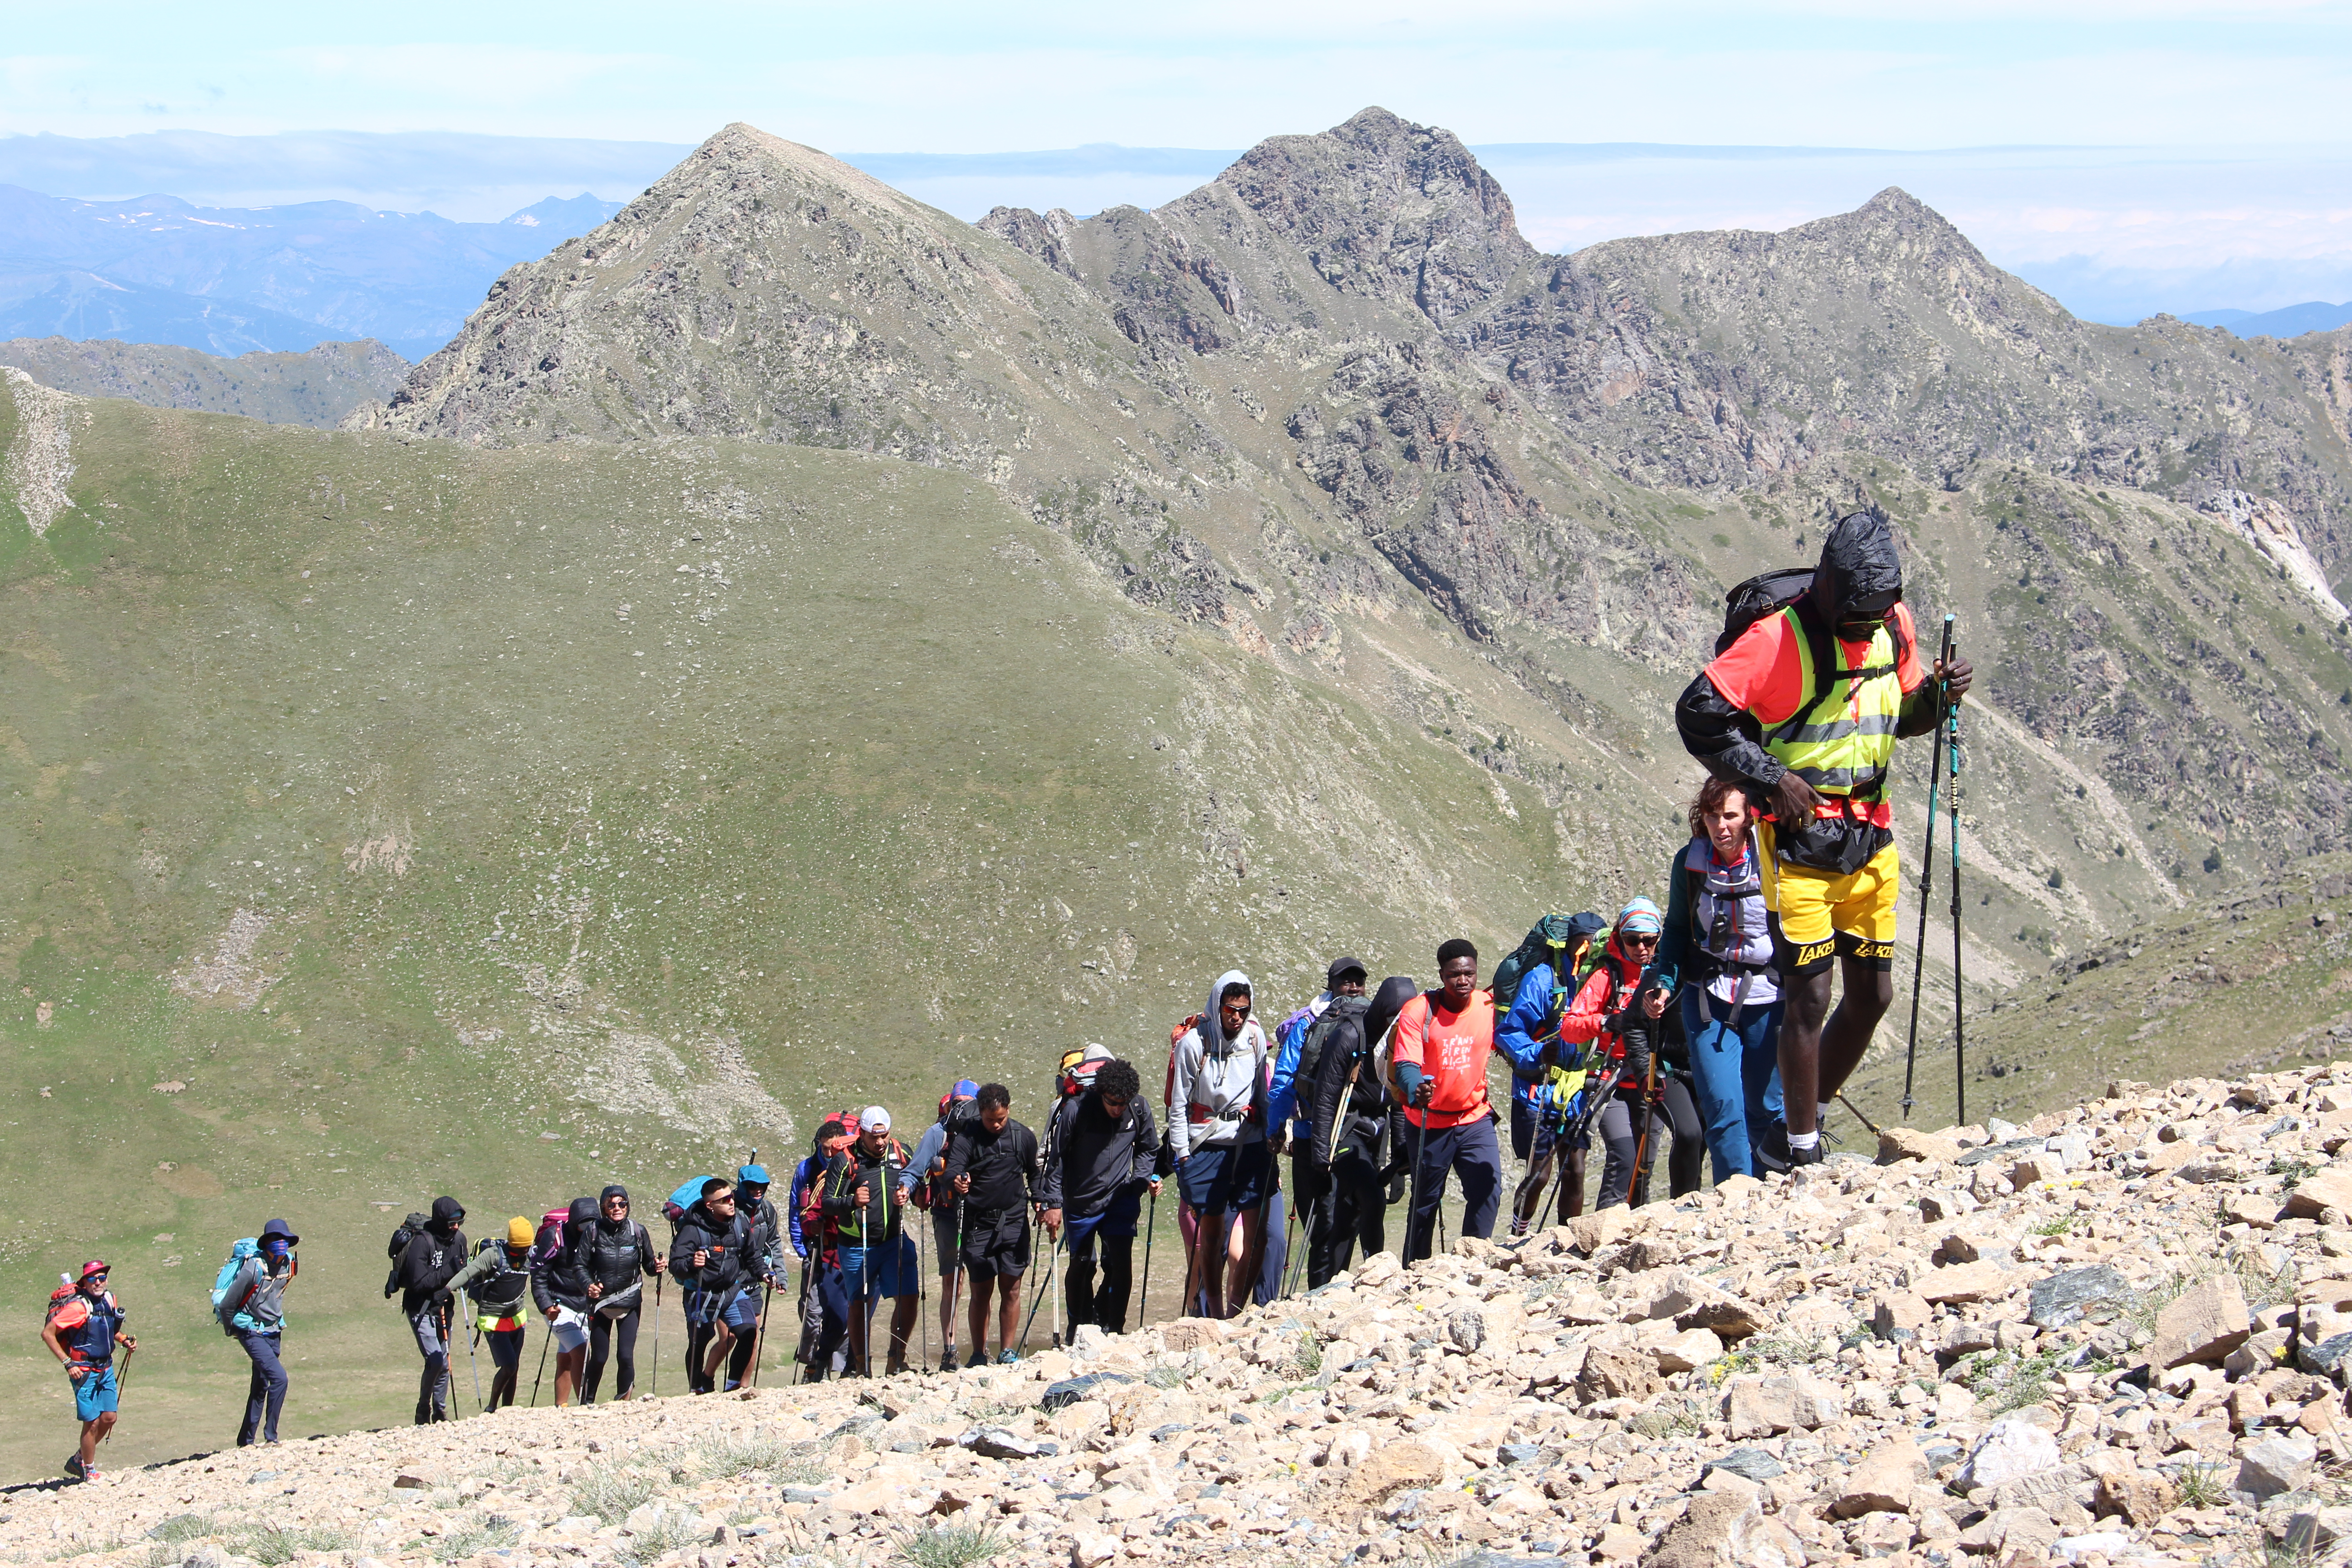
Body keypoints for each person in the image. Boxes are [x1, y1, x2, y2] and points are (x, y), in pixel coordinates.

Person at [1676, 509, 1972, 1164]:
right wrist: (1770, 778)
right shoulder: (1779, 640)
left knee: (1873, 995)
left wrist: (1939, 698)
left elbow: (1902, 717)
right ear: (1832, 588)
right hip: (1799, 841)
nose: (1866, 627)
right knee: (1810, 994)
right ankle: (1800, 1151)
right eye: (1856, 613)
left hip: (1872, 836)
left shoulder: (1895, 624)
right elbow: (1698, 714)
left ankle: (1791, 1126)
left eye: (1878, 612)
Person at [1650, 778, 1791, 1180]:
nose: (1721, 826)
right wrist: (1665, 981)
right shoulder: (1690, 863)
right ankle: (1736, 1199)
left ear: (1750, 818)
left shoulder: (1773, 857)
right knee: (1723, 1107)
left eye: (1730, 815)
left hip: (1770, 995)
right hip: (1708, 996)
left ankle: (1770, 1192)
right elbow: (1676, 927)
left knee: (1765, 1106)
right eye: (1713, 817)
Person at [1167, 970, 1270, 1318]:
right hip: (1206, 1147)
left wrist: (1271, 1129)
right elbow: (1178, 1104)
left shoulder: (1255, 1037)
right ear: (1217, 1006)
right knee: (1211, 1238)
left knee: (1259, 1237)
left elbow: (1261, 1091)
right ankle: (1214, 1314)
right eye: (1230, 1010)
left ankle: (1237, 1311)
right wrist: (1182, 1155)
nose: (1237, 1018)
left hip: (1251, 1144)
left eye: (1244, 1010)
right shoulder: (1193, 1044)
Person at [1393, 941, 1502, 1261]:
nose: (1463, 980)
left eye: (1469, 973)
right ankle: (1415, 1270)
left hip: (1475, 1117)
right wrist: (1417, 1089)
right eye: (1454, 974)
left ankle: (1472, 1261)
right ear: (1441, 975)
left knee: (1488, 1190)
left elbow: (1511, 1037)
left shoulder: (1488, 1005)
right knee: (1426, 1202)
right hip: (1429, 1120)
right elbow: (1406, 1065)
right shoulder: (1418, 1011)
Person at [1561, 900, 1672, 1210]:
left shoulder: (1667, 975)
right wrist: (1606, 1022)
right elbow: (1570, 1027)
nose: (1641, 947)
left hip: (1650, 1077)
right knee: (1624, 1156)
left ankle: (1636, 1230)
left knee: (1644, 1163)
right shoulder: (1606, 976)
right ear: (1620, 937)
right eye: (1632, 939)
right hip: (1610, 1080)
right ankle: (1604, 1230)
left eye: (1649, 940)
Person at [1303, 976, 1414, 1281]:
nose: (1398, 1023)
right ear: (1382, 1010)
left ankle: (1329, 1286)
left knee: (1349, 1215)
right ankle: (1377, 1280)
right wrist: (1320, 1160)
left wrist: (1402, 1154)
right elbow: (1325, 1100)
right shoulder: (1350, 1037)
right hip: (1345, 1129)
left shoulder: (1407, 1036)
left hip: (1377, 1132)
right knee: (1372, 1196)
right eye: (1393, 1016)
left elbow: (1400, 1099)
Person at [1040, 1058, 1161, 1333]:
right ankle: (1079, 1327)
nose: (1118, 1108)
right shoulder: (1076, 1111)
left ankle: (1114, 1327)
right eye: (1112, 1102)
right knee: (1083, 1264)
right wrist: (1054, 1204)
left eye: (1123, 1103)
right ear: (1100, 1093)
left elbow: (1148, 1147)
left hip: (1121, 1199)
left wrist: (1139, 1183)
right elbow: (1056, 1160)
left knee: (1120, 1264)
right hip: (1081, 1202)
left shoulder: (1138, 1108)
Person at [1267, 956, 1366, 1285]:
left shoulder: (1364, 1020)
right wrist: (1277, 1126)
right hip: (1316, 1138)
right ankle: (1323, 1297)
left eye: (1358, 982)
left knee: (1340, 1221)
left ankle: (1330, 1291)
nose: (1352, 988)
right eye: (1345, 982)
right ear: (1331, 986)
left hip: (1344, 1137)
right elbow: (1283, 1081)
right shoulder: (1309, 1025)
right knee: (1324, 1224)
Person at [943, 1083, 1041, 1364]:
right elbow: (952, 1171)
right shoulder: (967, 1137)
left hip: (1014, 1221)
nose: (996, 1125)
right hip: (979, 1224)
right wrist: (958, 1180)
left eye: (1001, 1119)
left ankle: (1008, 1351)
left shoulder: (1023, 1137)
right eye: (990, 1120)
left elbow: (1034, 1173)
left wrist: (1040, 1198)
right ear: (981, 1113)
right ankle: (978, 1353)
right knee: (981, 1290)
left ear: (1009, 1109)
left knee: (1011, 1287)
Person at [823, 1108, 919, 1375]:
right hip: (857, 1244)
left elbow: (917, 1183)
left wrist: (908, 1193)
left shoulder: (901, 1153)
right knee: (859, 1303)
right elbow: (828, 1203)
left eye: (884, 1136)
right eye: (874, 1137)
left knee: (909, 1296)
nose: (880, 1143)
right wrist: (852, 1201)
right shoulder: (844, 1161)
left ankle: (896, 1357)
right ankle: (861, 1363)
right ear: (862, 1134)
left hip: (894, 1240)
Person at [899, 1080, 980, 1372]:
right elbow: (916, 1168)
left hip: (980, 1214)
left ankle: (980, 1348)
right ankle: (951, 1348)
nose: (960, 1107)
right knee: (953, 1283)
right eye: (956, 1102)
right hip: (947, 1214)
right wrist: (908, 1188)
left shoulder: (983, 1130)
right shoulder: (938, 1133)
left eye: (966, 1102)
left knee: (981, 1283)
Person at [44, 1260, 134, 1481]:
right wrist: (67, 1363)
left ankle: (78, 1459)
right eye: (93, 1279)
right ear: (84, 1282)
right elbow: (48, 1333)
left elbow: (106, 1329)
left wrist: (123, 1339)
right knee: (92, 1422)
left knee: (110, 1418)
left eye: (102, 1277)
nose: (99, 1282)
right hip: (83, 1371)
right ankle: (89, 1470)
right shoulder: (77, 1307)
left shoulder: (110, 1299)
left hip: (105, 1367)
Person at [670, 1177, 758, 1393]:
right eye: (725, 1199)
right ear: (710, 1205)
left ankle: (733, 1385)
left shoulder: (740, 1223)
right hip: (701, 1293)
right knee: (700, 1341)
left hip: (731, 1290)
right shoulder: (692, 1229)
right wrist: (692, 1263)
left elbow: (751, 1255)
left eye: (732, 1197)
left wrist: (767, 1273)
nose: (731, 1202)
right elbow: (676, 1265)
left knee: (748, 1332)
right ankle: (697, 1388)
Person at [217, 1219, 299, 1446]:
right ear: (267, 1243)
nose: (280, 1244)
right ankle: (271, 1438)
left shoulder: (290, 1264)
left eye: (284, 1239)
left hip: (274, 1330)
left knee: (261, 1384)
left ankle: (245, 1441)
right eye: (275, 1239)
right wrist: (231, 1330)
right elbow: (227, 1305)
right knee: (280, 1379)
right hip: (251, 1331)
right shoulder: (253, 1268)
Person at [444, 1218, 536, 1411]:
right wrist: (447, 1289)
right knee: (509, 1367)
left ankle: (508, 1411)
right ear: (512, 1243)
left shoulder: (530, 1256)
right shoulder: (494, 1255)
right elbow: (469, 1272)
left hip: (517, 1319)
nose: (524, 1252)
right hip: (493, 1320)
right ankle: (492, 1408)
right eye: (521, 1248)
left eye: (527, 1247)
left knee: (514, 1368)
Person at [578, 1186, 661, 1402]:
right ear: (604, 1208)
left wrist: (657, 1265)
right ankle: (587, 1402)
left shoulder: (638, 1231)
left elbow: (649, 1266)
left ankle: (623, 1404)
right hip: (601, 1304)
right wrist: (588, 1285)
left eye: (622, 1204)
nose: (618, 1208)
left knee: (625, 1356)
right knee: (599, 1357)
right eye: (612, 1205)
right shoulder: (593, 1231)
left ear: (628, 1206)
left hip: (630, 1302)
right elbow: (579, 1266)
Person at [791, 1114, 856, 1381]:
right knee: (812, 1312)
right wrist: (802, 1245)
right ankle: (811, 1364)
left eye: (834, 1147)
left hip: (842, 1251)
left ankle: (838, 1367)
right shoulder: (807, 1170)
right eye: (825, 1147)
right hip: (816, 1251)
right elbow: (799, 1211)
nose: (829, 1152)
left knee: (841, 1312)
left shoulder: (853, 1168)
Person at [392, 1197, 467, 1424]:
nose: (456, 1227)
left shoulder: (460, 1240)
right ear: (440, 1220)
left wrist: (454, 1283)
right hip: (420, 1307)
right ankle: (423, 1409)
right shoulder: (422, 1242)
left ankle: (440, 1411)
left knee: (444, 1361)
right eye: (451, 1223)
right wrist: (449, 1273)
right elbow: (418, 1283)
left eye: (460, 1222)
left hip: (445, 1307)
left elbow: (462, 1273)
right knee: (435, 1360)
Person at [719, 1167, 785, 1392]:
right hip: (726, 1284)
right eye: (752, 1186)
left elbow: (774, 1242)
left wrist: (780, 1274)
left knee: (751, 1337)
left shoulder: (766, 1210)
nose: (758, 1191)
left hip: (754, 1281)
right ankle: (705, 1380)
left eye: (762, 1186)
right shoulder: (728, 1209)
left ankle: (741, 1389)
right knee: (728, 1339)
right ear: (742, 1185)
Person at [531, 1197, 598, 1406]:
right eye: (583, 1225)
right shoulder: (555, 1236)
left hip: (585, 1306)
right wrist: (546, 1306)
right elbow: (539, 1276)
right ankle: (586, 1405)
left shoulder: (597, 1234)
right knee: (581, 1353)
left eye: (591, 1224)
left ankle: (561, 1407)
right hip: (559, 1307)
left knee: (567, 1358)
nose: (587, 1229)